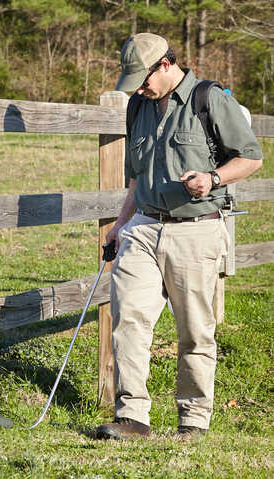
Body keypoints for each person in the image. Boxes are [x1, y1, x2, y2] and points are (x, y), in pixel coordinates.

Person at [96, 33, 263, 440]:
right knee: (129, 320)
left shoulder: (209, 99)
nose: (139, 87)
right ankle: (132, 417)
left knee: (194, 330)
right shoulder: (138, 106)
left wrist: (213, 178)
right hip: (144, 229)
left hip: (196, 231)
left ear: (165, 65)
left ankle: (193, 420)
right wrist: (121, 224)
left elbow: (252, 157)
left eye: (143, 77)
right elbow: (136, 177)